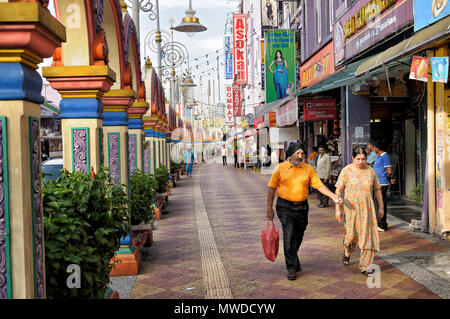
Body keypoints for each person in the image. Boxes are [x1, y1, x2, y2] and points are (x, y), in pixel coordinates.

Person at [266, 142, 343, 280]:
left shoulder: (307, 169)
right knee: (289, 234)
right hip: (285, 206)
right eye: (298, 153)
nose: (301, 156)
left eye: (302, 153)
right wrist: (269, 209)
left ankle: (293, 258)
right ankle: (291, 267)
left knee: (299, 235)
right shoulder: (281, 168)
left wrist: (333, 196)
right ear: (291, 154)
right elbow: (272, 189)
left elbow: (318, 184)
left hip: (302, 207)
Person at [334, 148, 384, 276]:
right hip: (351, 209)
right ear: (353, 158)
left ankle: (365, 266)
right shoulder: (347, 171)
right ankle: (347, 251)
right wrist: (338, 209)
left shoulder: (370, 171)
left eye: (363, 159)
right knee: (351, 237)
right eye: (358, 159)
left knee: (367, 236)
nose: (361, 162)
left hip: (367, 210)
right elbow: (338, 191)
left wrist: (381, 207)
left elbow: (377, 189)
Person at [372, 140, 393, 232]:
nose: (373, 149)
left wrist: (385, 177)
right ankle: (382, 223)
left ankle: (380, 224)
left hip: (382, 183)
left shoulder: (385, 156)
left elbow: (389, 171)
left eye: (374, 147)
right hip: (379, 183)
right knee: (381, 203)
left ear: (378, 148)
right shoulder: (380, 156)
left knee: (379, 204)